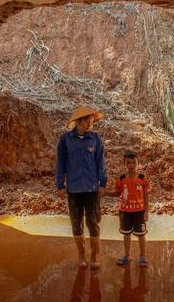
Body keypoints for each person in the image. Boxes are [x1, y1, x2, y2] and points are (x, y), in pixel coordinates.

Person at [56, 106, 107, 270]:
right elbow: (60, 164)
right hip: (74, 189)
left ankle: (94, 256)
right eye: (87, 121)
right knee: (76, 224)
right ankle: (81, 256)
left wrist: (103, 183)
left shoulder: (96, 139)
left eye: (92, 121)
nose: (90, 124)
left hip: (92, 188)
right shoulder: (65, 140)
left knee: (93, 223)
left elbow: (101, 163)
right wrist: (60, 185)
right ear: (78, 121)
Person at [105, 150, 149, 267]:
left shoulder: (142, 178)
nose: (131, 165)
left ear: (138, 163)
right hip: (125, 211)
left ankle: (143, 257)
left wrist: (146, 212)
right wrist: (106, 193)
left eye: (134, 162)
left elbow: (146, 195)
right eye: (128, 163)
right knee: (126, 234)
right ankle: (127, 256)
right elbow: (118, 193)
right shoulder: (121, 178)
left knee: (141, 234)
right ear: (124, 164)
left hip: (139, 211)